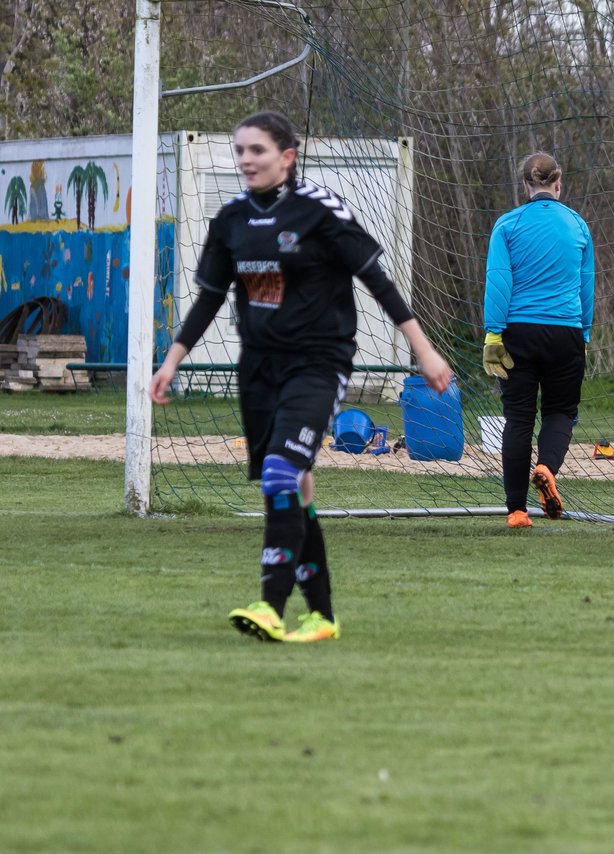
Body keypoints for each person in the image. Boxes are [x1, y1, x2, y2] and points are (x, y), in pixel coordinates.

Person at [148, 111, 452, 642]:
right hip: (259, 370)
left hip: (319, 363)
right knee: (295, 487)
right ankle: (322, 616)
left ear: (287, 157)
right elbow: (209, 300)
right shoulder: (231, 222)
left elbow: (378, 282)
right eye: (240, 150)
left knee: (281, 475)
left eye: (257, 151)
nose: (246, 159)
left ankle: (269, 605)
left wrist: (423, 352)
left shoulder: (320, 213)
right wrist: (172, 360)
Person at [481, 151, 595, 528]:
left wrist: (493, 333)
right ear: (558, 184)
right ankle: (546, 466)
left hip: (518, 332)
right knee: (561, 413)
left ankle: (516, 512)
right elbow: (586, 286)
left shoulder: (507, 225)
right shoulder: (578, 226)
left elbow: (499, 280)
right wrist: (585, 331)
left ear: (526, 185)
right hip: (566, 332)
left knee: (517, 420)